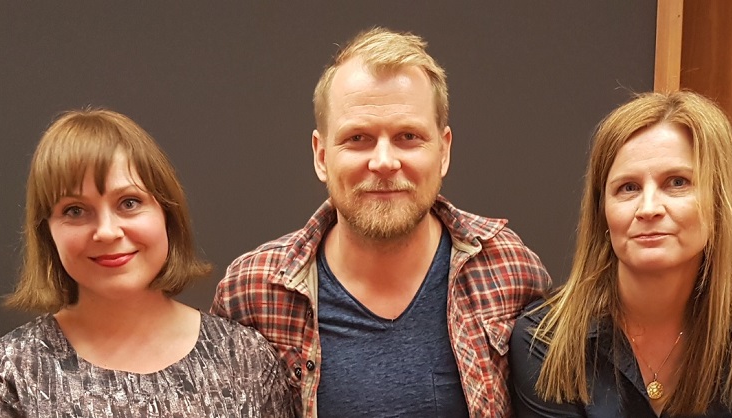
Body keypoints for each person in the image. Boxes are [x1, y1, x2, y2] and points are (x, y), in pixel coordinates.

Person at [211, 27, 554, 418]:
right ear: (321, 156)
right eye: (358, 138)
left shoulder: (509, 269)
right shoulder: (252, 293)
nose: (385, 162)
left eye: (408, 136)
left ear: (443, 151)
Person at [0, 109, 295, 417]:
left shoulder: (244, 359)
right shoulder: (13, 372)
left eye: (129, 203)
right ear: (47, 232)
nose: (107, 232)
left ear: (167, 214)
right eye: (75, 210)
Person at [509, 91, 732, 417]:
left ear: (720, 201)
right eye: (628, 188)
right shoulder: (545, 338)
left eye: (677, 182)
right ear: (602, 212)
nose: (648, 208)